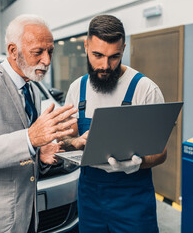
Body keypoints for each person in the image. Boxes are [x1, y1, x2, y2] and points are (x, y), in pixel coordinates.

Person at [0, 14, 77, 233]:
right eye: (38, 52)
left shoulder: (33, 90)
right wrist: (30, 138)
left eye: (50, 52)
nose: (46, 60)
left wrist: (41, 155)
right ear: (12, 51)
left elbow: (24, 155)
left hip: (26, 217)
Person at [62, 15, 167, 232]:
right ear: (86, 45)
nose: (105, 65)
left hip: (133, 202)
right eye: (97, 55)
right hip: (90, 197)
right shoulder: (77, 89)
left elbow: (161, 153)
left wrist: (136, 164)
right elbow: (65, 139)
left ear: (124, 49)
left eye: (114, 57)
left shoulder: (145, 89)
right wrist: (75, 142)